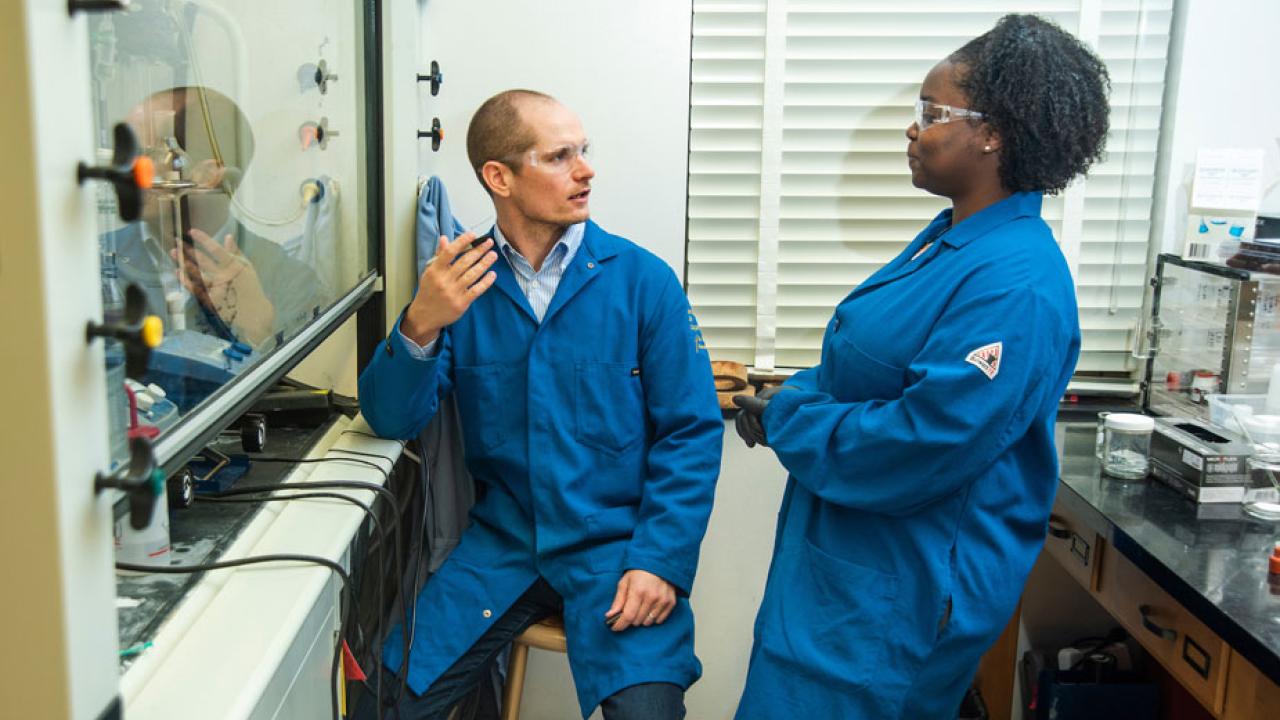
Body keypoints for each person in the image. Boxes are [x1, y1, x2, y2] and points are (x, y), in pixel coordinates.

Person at [731, 14, 1108, 718]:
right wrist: (796, 394)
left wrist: (790, 417)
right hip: (845, 571)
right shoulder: (951, 239)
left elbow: (925, 440)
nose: (915, 129)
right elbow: (862, 363)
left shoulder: (1016, 282)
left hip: (896, 595)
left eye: (933, 113)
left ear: (992, 132)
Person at [356, 90, 722, 719]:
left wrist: (660, 562)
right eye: (559, 157)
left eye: (583, 152)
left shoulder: (643, 281)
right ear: (498, 177)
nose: (586, 170)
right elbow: (391, 418)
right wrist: (420, 323)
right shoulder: (461, 285)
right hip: (503, 547)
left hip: (616, 552)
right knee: (377, 705)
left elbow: (690, 432)